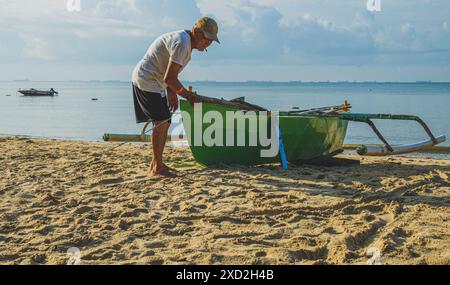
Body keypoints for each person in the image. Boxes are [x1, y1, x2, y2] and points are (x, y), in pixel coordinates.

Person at [132, 17, 220, 177]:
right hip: (147, 79)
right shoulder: (182, 43)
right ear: (196, 32)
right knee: (162, 122)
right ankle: (157, 168)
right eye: (206, 39)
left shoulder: (185, 43)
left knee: (164, 121)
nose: (207, 44)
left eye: (211, 41)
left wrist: (171, 92)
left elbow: (169, 73)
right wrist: (189, 96)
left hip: (156, 81)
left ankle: (156, 164)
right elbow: (170, 78)